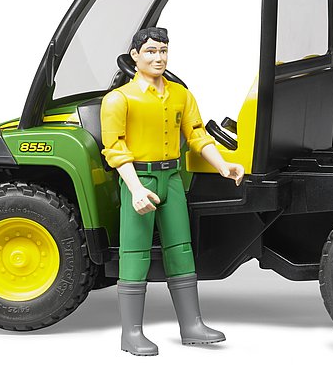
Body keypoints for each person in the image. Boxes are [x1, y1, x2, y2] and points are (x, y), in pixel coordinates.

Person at [101, 27, 244, 356]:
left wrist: (222, 165)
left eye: (163, 51)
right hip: (140, 179)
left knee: (181, 249)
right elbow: (115, 149)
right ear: (135, 56)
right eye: (151, 51)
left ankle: (192, 325)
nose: (158, 58)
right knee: (135, 254)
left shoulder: (180, 94)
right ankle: (131, 333)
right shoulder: (119, 99)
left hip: (173, 178)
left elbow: (197, 135)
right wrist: (135, 189)